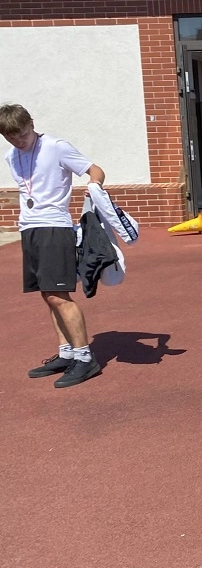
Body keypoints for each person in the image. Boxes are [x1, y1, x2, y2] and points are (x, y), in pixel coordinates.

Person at [2, 104, 105, 388]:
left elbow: (94, 169)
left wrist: (95, 186)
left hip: (54, 227)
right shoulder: (11, 156)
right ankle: (67, 352)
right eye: (11, 137)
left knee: (59, 295)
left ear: (31, 124)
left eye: (22, 134)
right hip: (29, 228)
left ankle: (85, 358)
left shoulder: (56, 147)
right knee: (47, 294)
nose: (19, 141)